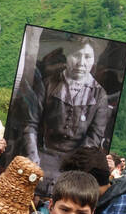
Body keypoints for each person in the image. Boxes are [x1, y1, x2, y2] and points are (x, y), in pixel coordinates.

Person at [19, 37, 113, 186]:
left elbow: (95, 135)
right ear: (67, 56)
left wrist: (77, 165)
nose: (81, 63)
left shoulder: (99, 94)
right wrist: (33, 156)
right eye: (76, 55)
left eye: (87, 57)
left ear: (94, 60)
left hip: (75, 165)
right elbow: (31, 123)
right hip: (42, 157)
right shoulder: (48, 84)